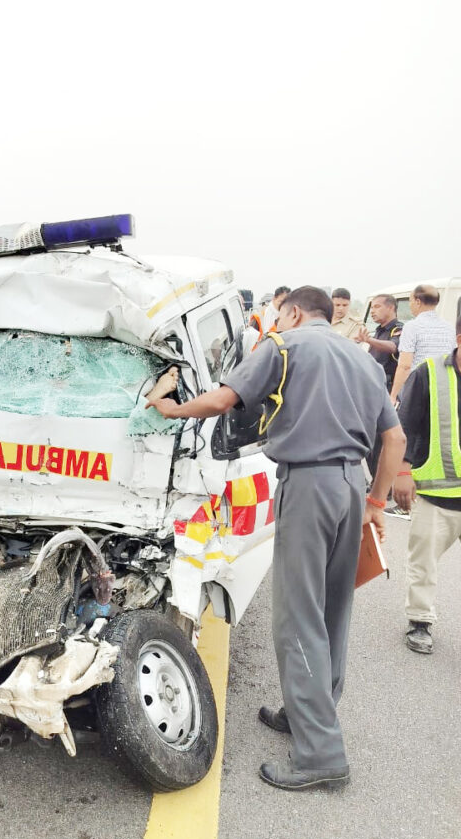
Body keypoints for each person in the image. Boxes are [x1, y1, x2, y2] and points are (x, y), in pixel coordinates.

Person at [147, 286, 405, 792]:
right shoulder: (361, 357)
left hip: (309, 485)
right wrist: (376, 504)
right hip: (351, 485)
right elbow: (394, 439)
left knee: (298, 616)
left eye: (279, 317)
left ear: (293, 313)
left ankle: (322, 755)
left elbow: (223, 400)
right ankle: (309, 712)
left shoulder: (284, 347)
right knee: (332, 609)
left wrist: (170, 408)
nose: (276, 323)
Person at [392, 316, 461, 655]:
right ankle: (420, 622)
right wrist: (402, 471)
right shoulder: (429, 373)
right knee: (424, 563)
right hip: (436, 493)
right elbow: (406, 423)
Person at [356, 295, 403, 496]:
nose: (373, 311)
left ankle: (384, 486)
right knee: (370, 440)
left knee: (383, 441)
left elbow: (393, 347)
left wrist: (369, 340)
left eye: (377, 307)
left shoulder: (397, 329)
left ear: (391, 308)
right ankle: (376, 481)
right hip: (372, 389)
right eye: (372, 307)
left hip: (388, 389)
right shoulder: (378, 331)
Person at [389, 285, 455, 404]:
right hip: (443, 388)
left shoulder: (412, 327)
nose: (410, 305)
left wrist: (393, 396)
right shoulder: (449, 327)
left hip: (418, 388)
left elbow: (405, 366)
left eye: (410, 301)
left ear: (418, 302)